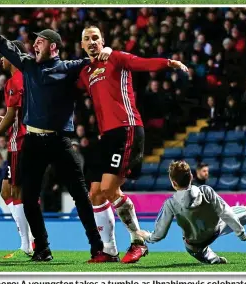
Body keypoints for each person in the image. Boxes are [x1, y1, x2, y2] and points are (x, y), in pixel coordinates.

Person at [0, 15, 111, 262]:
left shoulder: (68, 68)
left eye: (40, 42)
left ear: (53, 46)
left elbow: (97, 58)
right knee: (28, 198)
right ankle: (42, 248)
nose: (34, 45)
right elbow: (3, 45)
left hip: (60, 143)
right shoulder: (27, 64)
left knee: (80, 195)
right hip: (33, 142)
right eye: (35, 42)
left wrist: (106, 49)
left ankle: (97, 248)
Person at [78, 25, 188, 263]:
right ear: (82, 45)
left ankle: (139, 242)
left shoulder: (115, 58)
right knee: (95, 193)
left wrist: (169, 62)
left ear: (103, 40)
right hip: (105, 136)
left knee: (108, 188)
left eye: (96, 37)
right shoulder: (85, 71)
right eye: (87, 39)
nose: (92, 42)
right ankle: (109, 250)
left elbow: (143, 63)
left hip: (127, 129)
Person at [136, 160, 246, 264]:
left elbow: (159, 235)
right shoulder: (206, 191)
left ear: (173, 183)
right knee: (233, 212)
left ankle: (214, 259)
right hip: (215, 229)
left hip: (194, 245)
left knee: (203, 254)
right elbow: (226, 213)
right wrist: (242, 234)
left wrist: (147, 236)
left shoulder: (170, 204)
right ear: (192, 176)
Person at [0, 40, 33, 259]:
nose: (0, 58)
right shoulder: (23, 79)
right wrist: (5, 118)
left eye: (3, 54)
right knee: (6, 191)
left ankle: (27, 244)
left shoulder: (17, 80)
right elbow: (18, 113)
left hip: (20, 142)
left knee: (17, 192)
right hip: (19, 139)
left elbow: (14, 114)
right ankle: (28, 239)